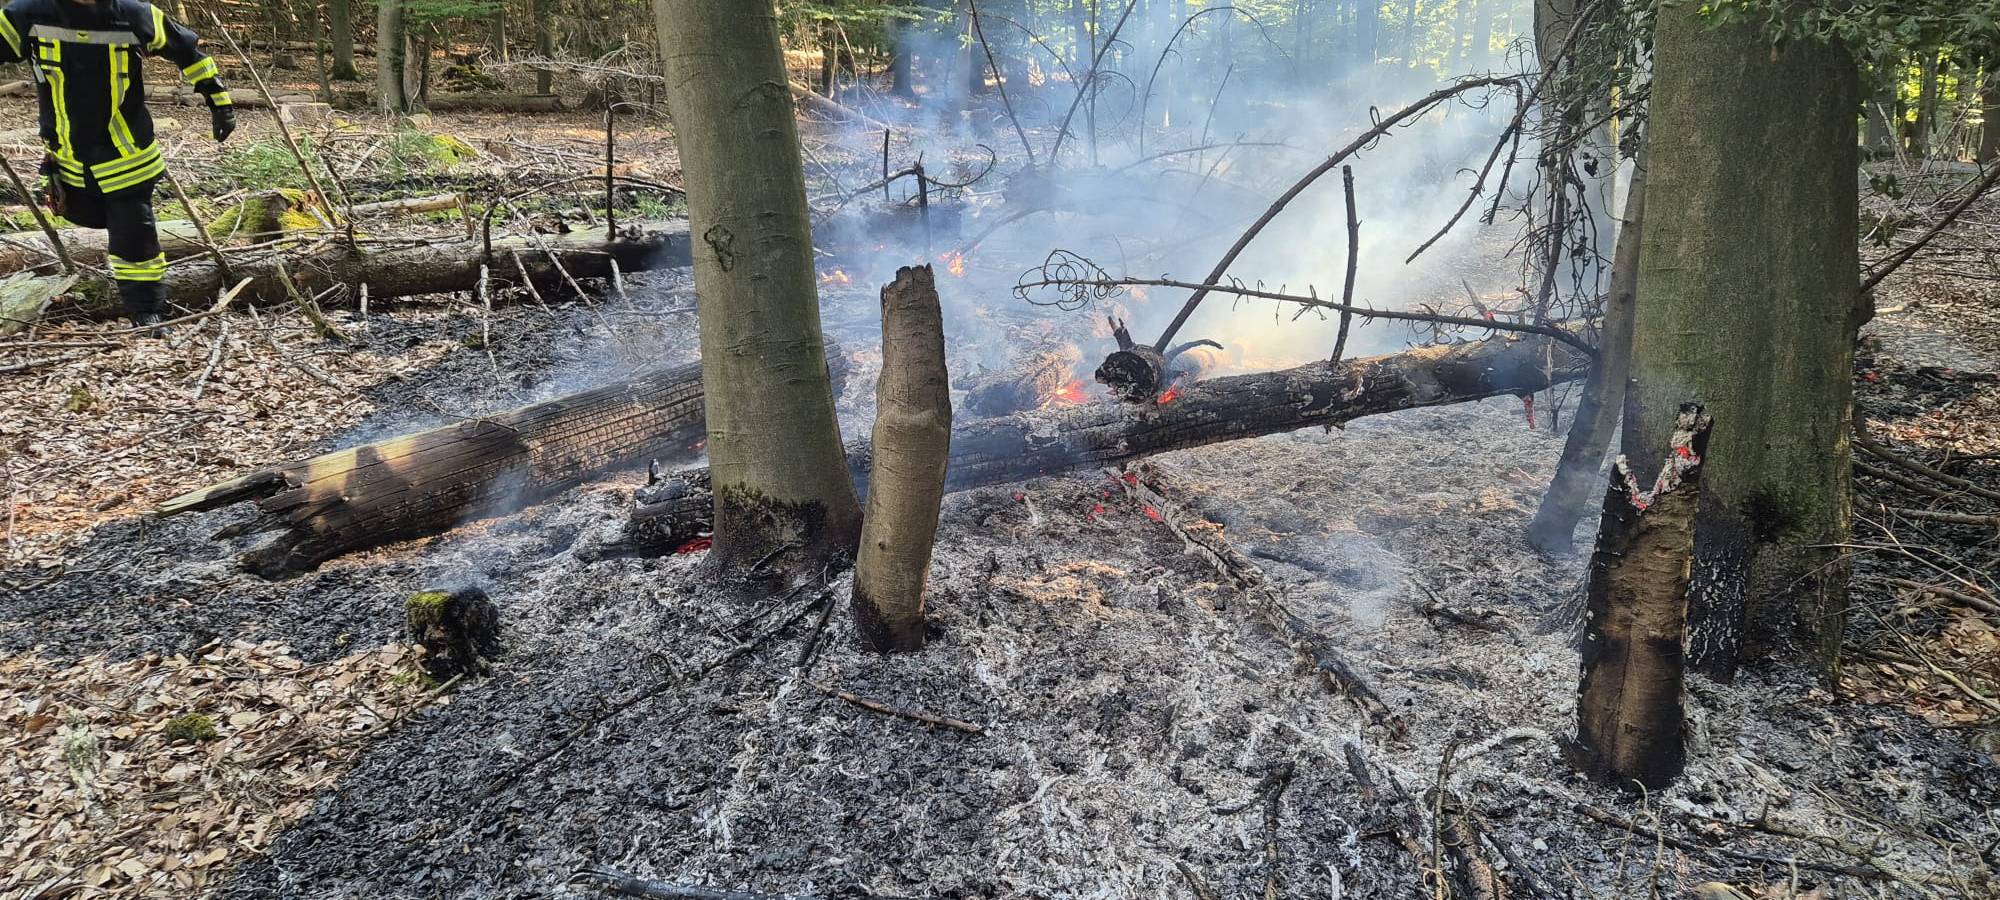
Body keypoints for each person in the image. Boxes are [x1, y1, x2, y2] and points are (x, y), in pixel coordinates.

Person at [0, 0, 235, 326]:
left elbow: (188, 52)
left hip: (127, 155)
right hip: (67, 161)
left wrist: (219, 102)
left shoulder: (135, 15)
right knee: (83, 214)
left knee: (132, 232)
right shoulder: (27, 15)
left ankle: (146, 310)